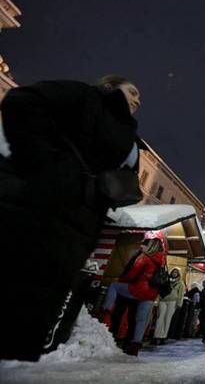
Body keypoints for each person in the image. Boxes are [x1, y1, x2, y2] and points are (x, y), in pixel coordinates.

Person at [0, 75, 142, 361]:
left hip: (71, 231)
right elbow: (21, 102)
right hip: (32, 211)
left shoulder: (126, 133)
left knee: (21, 326)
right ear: (109, 87)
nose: (137, 100)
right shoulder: (83, 96)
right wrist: (48, 164)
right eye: (133, 92)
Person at [102, 231, 166, 356]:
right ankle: (135, 346)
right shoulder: (161, 261)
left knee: (114, 286)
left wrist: (121, 281)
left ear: (150, 246)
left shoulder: (145, 258)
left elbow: (132, 274)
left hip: (138, 290)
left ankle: (106, 309)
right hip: (151, 294)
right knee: (141, 320)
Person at [153, 267, 185, 345]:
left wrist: (179, 304)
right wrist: (157, 300)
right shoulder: (166, 280)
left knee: (167, 319)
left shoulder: (180, 283)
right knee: (160, 318)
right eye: (173, 272)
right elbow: (159, 290)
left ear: (178, 274)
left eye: (176, 272)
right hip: (163, 300)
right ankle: (156, 336)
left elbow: (181, 295)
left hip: (172, 302)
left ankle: (163, 337)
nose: (174, 273)